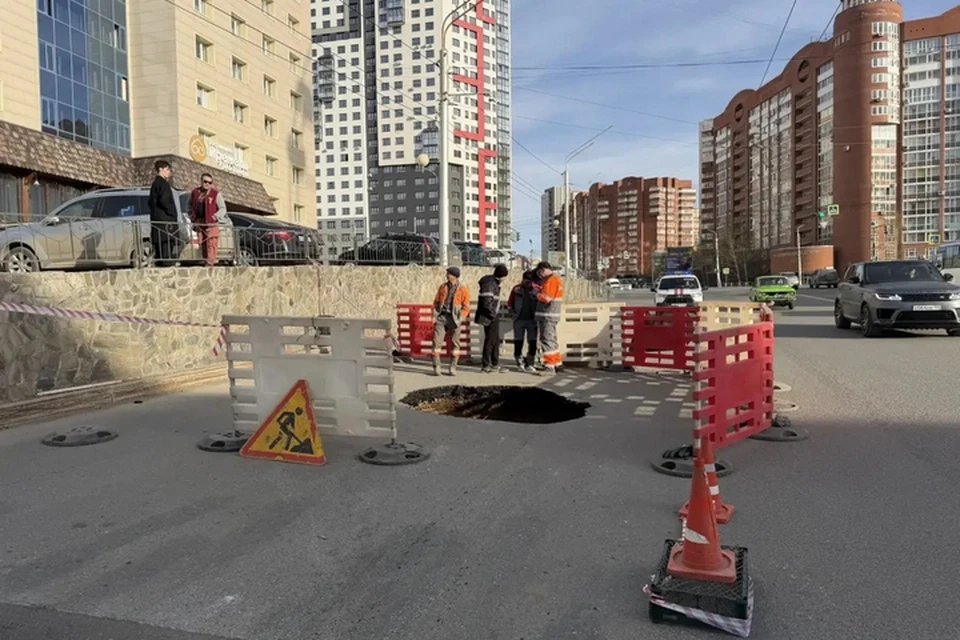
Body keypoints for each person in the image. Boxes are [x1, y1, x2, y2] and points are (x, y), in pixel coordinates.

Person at [432, 267, 470, 376]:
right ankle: (436, 366)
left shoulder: (463, 289)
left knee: (455, 344)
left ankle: (453, 367)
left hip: (454, 320)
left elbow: (466, 307)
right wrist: (436, 312)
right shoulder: (443, 287)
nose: (447, 275)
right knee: (436, 342)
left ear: (455, 276)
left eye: (449, 273)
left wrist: (460, 318)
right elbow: (436, 301)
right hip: (442, 317)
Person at [476, 264, 509, 373]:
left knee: (495, 340)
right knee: (490, 340)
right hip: (490, 316)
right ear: (502, 276)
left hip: (492, 315)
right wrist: (493, 314)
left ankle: (495, 364)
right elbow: (487, 302)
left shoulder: (492, 283)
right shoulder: (490, 284)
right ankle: (486, 365)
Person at [190, 173, 227, 267]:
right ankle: (205, 261)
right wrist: (191, 216)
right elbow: (189, 205)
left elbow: (223, 208)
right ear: (201, 181)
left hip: (211, 223)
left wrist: (215, 216)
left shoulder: (215, 194)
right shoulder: (195, 192)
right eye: (205, 181)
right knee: (203, 244)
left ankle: (210, 263)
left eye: (210, 182)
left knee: (212, 243)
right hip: (200, 222)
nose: (207, 184)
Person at [147, 160, 179, 266]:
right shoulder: (163, 184)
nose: (169, 172)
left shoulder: (155, 184)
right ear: (160, 169)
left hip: (158, 224)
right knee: (166, 254)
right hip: (166, 225)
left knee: (160, 254)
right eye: (167, 169)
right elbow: (164, 201)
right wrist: (172, 213)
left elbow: (151, 203)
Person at [534, 261, 564, 375]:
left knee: (547, 340)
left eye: (539, 273)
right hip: (552, 315)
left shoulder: (550, 281)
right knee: (552, 340)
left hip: (547, 315)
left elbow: (546, 298)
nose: (539, 276)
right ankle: (557, 363)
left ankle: (549, 366)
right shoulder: (556, 280)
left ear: (543, 270)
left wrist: (536, 294)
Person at [507, 270, 538, 371]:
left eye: (530, 281)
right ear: (523, 279)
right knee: (518, 341)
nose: (528, 283)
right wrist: (511, 312)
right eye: (526, 280)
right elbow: (510, 302)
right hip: (518, 319)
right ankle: (519, 361)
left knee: (532, 342)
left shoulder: (537, 289)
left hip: (533, 320)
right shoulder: (516, 289)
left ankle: (530, 362)